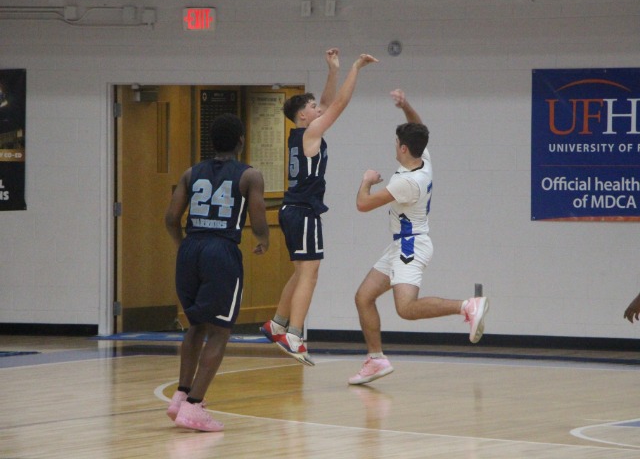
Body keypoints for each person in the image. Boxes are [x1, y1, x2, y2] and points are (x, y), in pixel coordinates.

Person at [347, 89, 489, 385]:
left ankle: (466, 306)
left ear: (402, 149)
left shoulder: (408, 182)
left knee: (406, 309)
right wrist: (405, 105)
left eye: (396, 142)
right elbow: (419, 127)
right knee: (364, 297)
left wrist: (366, 180)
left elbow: (363, 204)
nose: (395, 145)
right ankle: (376, 359)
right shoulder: (423, 158)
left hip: (410, 246)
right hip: (401, 244)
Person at [260, 48, 378, 366]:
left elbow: (326, 104)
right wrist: (355, 68)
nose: (318, 109)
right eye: (312, 107)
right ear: (303, 116)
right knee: (310, 275)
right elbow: (338, 104)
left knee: (301, 272)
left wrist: (333, 70)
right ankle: (294, 335)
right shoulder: (311, 133)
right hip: (303, 212)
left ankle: (277, 324)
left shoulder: (301, 133)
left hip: (293, 210)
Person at [164, 113, 269, 431]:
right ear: (241, 141)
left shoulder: (190, 172)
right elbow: (258, 219)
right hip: (220, 251)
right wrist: (263, 240)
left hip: (191, 248)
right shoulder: (250, 175)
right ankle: (194, 406)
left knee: (196, 325)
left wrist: (183, 245)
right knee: (220, 330)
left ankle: (181, 396)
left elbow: (171, 218)